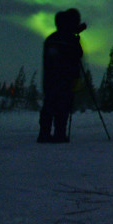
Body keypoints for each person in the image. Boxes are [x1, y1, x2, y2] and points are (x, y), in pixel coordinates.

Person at [38, 8, 86, 143]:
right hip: (66, 80)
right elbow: (78, 54)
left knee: (49, 105)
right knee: (63, 106)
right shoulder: (69, 40)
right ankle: (59, 134)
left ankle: (44, 133)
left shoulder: (51, 39)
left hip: (50, 79)